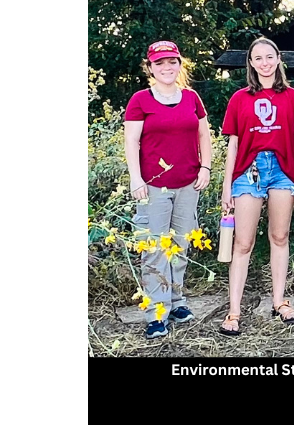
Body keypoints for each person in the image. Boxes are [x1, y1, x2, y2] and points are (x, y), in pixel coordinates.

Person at [215, 38, 294, 336]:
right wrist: (227, 185)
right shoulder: (239, 99)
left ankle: (280, 301)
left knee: (279, 236)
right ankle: (234, 310)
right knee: (243, 243)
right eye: (258, 58)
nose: (265, 62)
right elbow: (233, 144)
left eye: (270, 57)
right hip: (249, 170)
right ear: (251, 63)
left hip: (283, 171)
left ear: (278, 59)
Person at [122, 40, 216, 339]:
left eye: (172, 62)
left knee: (180, 245)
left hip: (188, 183)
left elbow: (204, 135)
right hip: (153, 187)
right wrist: (136, 179)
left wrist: (205, 167)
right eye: (160, 63)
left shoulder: (191, 98)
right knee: (154, 251)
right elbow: (131, 142)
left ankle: (176, 301)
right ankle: (156, 313)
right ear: (150, 67)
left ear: (179, 65)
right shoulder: (140, 100)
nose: (167, 68)